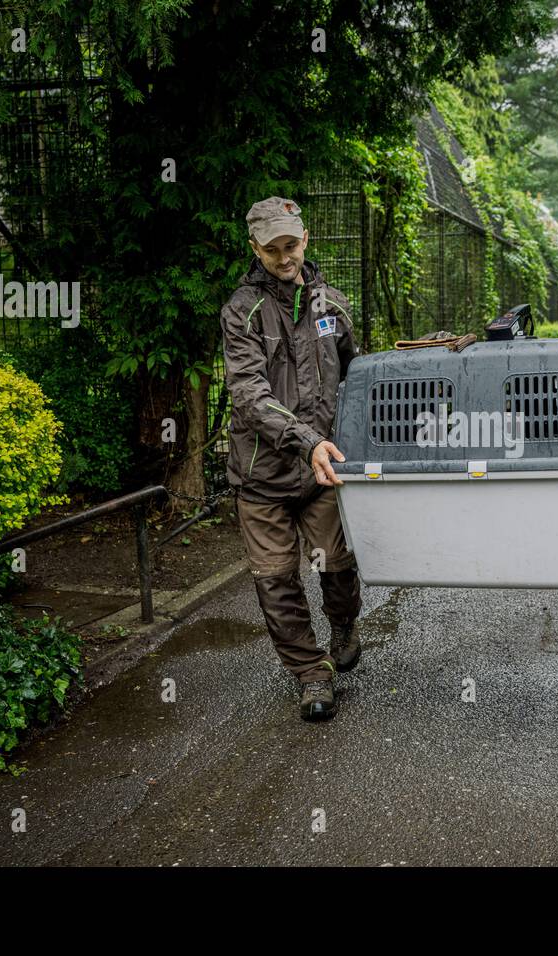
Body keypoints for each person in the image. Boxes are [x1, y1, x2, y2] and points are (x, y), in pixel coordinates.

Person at [219, 196, 362, 722]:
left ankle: (344, 624)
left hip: (323, 469)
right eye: (272, 248)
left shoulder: (334, 306)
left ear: (306, 239)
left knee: (336, 563)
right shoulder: (242, 310)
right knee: (275, 578)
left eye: (292, 245)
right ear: (255, 248)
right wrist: (306, 440)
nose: (285, 257)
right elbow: (250, 394)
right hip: (262, 473)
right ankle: (310, 673)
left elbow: (356, 381)